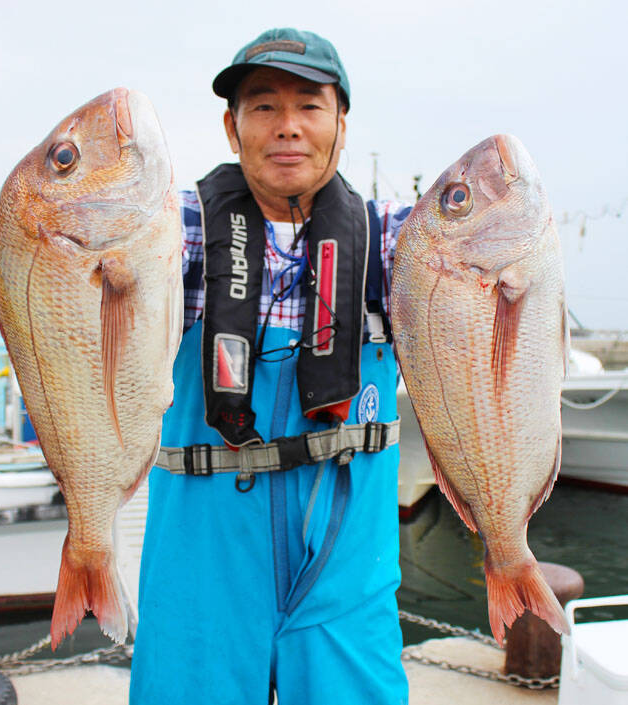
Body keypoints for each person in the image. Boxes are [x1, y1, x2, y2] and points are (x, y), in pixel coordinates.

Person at [130, 28, 412, 705]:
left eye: (310, 106)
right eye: (263, 107)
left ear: (341, 123)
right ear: (232, 128)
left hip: (347, 575)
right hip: (200, 571)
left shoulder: (396, 241)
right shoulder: (174, 231)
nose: (288, 127)